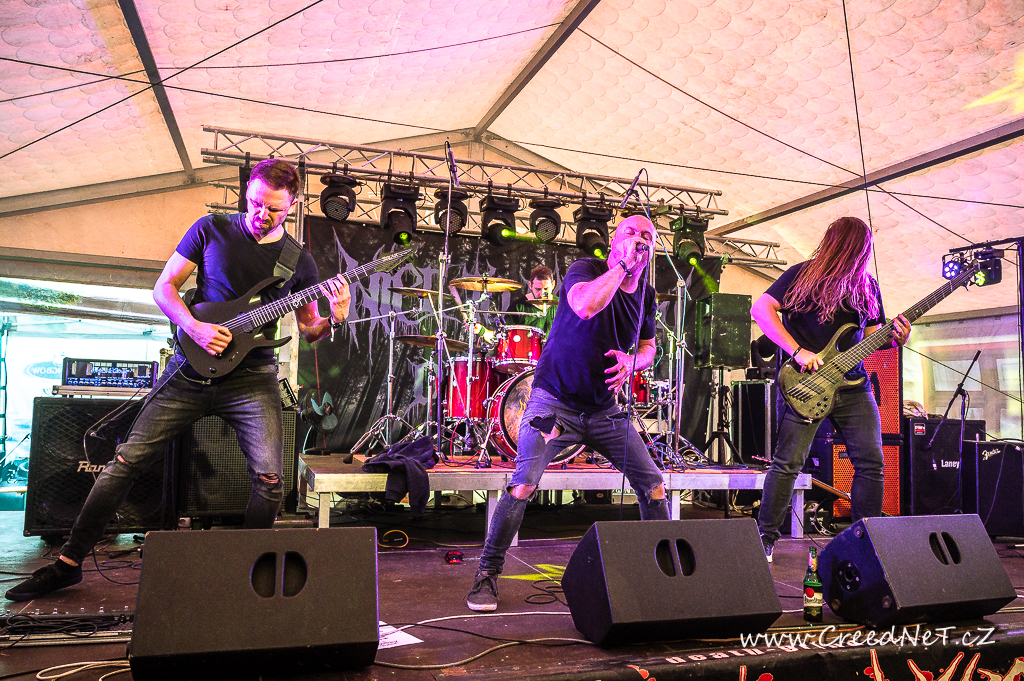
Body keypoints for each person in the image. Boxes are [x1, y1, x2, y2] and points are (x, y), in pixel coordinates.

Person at [6, 159, 351, 602]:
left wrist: (335, 318)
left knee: (270, 481)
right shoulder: (211, 229)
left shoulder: (298, 261)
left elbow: (309, 329)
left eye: (274, 210)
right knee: (124, 463)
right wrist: (195, 327)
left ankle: (245, 573)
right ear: (247, 192)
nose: (262, 215)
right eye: (255, 204)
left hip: (251, 378)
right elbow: (164, 288)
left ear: (293, 206)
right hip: (190, 369)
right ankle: (67, 564)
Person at [465, 215, 669, 612]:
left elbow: (648, 346)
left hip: (604, 412)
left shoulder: (646, 294)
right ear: (614, 242)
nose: (639, 240)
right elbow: (586, 306)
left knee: (654, 485)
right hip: (553, 403)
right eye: (630, 233)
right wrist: (623, 266)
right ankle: (487, 574)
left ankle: (661, 574)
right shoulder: (586, 269)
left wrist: (634, 361)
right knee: (523, 485)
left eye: (647, 236)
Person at [751, 216, 910, 562]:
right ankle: (765, 537)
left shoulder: (867, 286)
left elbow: (871, 338)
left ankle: (866, 541)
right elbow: (761, 309)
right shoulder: (801, 275)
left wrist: (895, 339)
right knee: (788, 463)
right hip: (805, 384)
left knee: (871, 462)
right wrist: (798, 351)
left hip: (854, 385)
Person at [505, 265, 557, 333]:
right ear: (530, 285)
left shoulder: (562, 305)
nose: (542, 293)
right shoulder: (517, 307)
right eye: (538, 289)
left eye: (546, 289)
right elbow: (507, 334)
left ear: (553, 284)